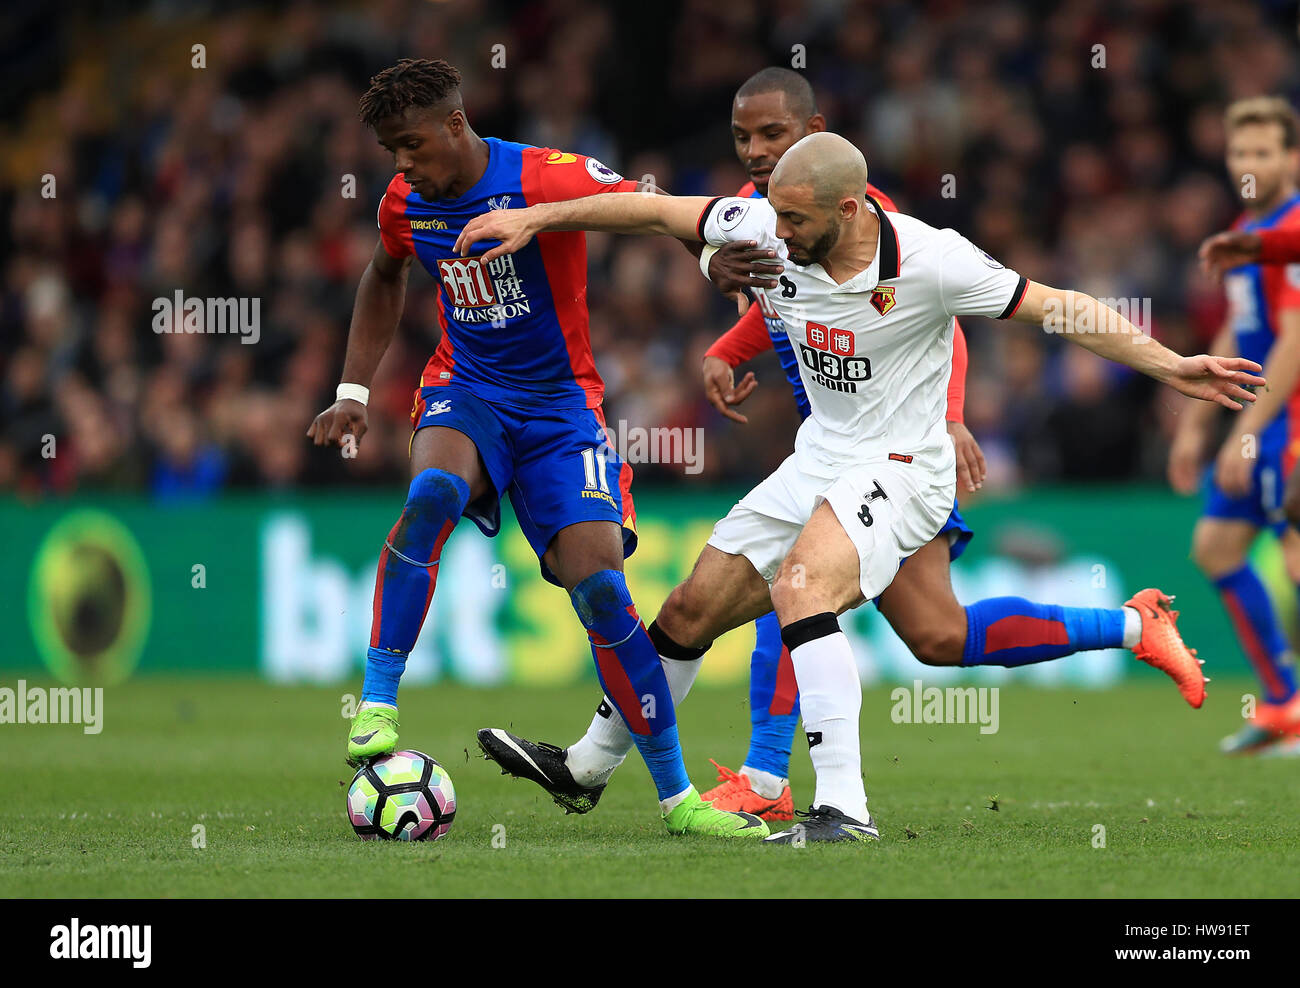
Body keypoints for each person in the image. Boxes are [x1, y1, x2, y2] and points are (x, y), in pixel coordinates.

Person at [458, 131, 1258, 844]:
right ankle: (589, 769)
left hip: (905, 467)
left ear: (848, 210)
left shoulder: (932, 259)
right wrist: (535, 220)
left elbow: (1063, 309)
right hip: (820, 457)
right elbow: (654, 212)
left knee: (802, 588)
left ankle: (843, 808)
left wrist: (1171, 365)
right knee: (691, 613)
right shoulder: (771, 224)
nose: (780, 233)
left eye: (797, 221)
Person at [308, 58, 767, 839]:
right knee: (432, 496)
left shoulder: (546, 176)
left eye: (413, 144)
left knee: (602, 592)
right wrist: (352, 393)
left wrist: (704, 256)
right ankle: (378, 704)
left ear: (457, 124)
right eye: (392, 152)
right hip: (467, 388)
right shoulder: (405, 203)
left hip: (562, 410)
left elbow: (648, 206)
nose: (404, 165)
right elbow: (383, 277)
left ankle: (678, 802)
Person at [1175, 97, 1300, 755]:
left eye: (1262, 153)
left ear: (1292, 158)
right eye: (1239, 152)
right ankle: (1284, 704)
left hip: (1291, 420)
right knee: (1217, 546)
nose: (1249, 165)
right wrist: (1196, 425)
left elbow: (1295, 338)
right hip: (1263, 417)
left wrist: (1250, 431)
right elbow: (1237, 330)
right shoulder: (1245, 230)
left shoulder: (1294, 228)